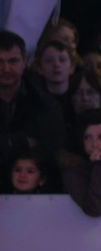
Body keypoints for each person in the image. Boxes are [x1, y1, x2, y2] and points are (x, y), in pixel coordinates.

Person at [0, 30, 66, 169]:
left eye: (13, 61)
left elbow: (50, 152)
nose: (5, 69)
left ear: (25, 62)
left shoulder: (46, 104)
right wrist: (22, 142)